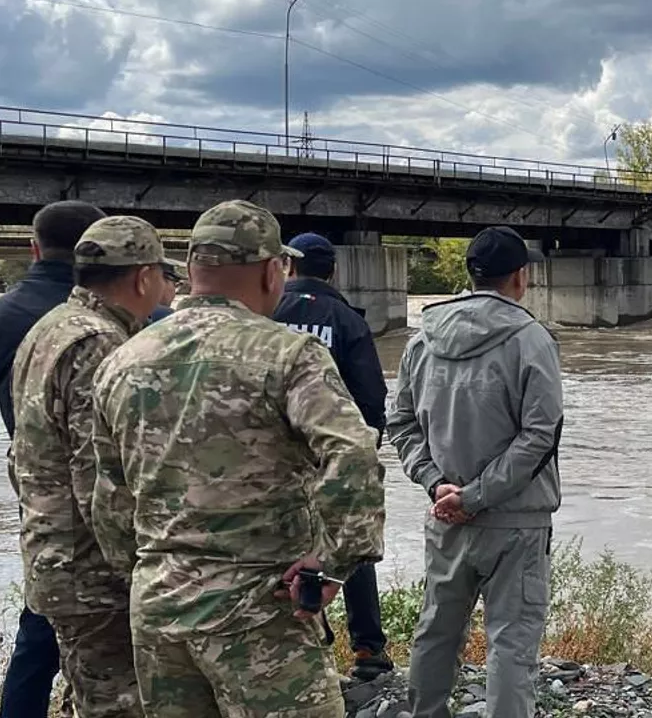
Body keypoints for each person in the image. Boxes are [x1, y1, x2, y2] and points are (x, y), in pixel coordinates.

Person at [90, 200, 386, 718]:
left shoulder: (122, 361)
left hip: (159, 611)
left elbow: (109, 500)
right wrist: (333, 564)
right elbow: (354, 455)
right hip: (261, 613)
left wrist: (150, 570)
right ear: (274, 271)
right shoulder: (288, 354)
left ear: (191, 269)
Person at [388, 225, 563, 718]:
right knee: (511, 644)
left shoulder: (422, 339)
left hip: (445, 516)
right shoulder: (532, 340)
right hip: (515, 521)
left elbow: (400, 422)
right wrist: (477, 496)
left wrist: (436, 485)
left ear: (470, 274)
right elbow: (540, 436)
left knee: (436, 631)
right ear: (520, 277)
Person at [10, 215, 176, 717]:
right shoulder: (100, 344)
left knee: (89, 693)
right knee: (119, 702)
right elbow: (101, 478)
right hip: (93, 572)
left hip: (54, 552)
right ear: (144, 277)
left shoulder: (50, 327)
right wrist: (140, 569)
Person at [0, 200, 105, 718]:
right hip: (112, 500)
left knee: (39, 622)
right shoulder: (120, 317)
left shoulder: (6, 314)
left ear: (34, 247)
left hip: (37, 490)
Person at [272, 231, 393, 680]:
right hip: (334, 454)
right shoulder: (347, 321)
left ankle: (290, 646)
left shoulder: (266, 314)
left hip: (271, 461)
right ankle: (367, 650)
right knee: (349, 544)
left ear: (288, 266)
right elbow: (371, 398)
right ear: (334, 271)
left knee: (278, 546)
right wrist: (364, 453)